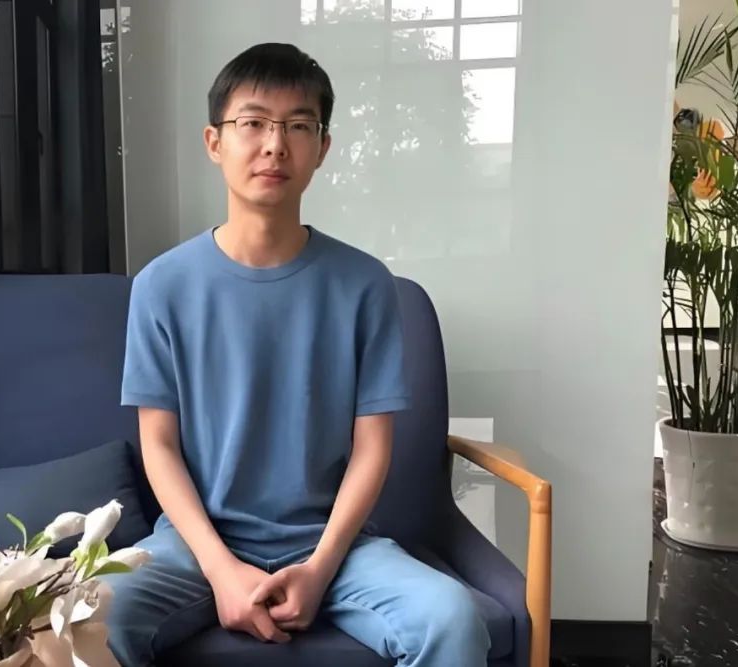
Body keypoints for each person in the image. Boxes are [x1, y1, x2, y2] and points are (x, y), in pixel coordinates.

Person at [105, 42, 490, 667]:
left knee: (451, 619)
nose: (274, 145)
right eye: (253, 123)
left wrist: (321, 567)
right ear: (214, 141)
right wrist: (221, 569)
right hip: (196, 546)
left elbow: (372, 447)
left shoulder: (365, 284)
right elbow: (160, 445)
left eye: (298, 126)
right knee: (93, 614)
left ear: (322, 147)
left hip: (335, 546)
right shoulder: (161, 286)